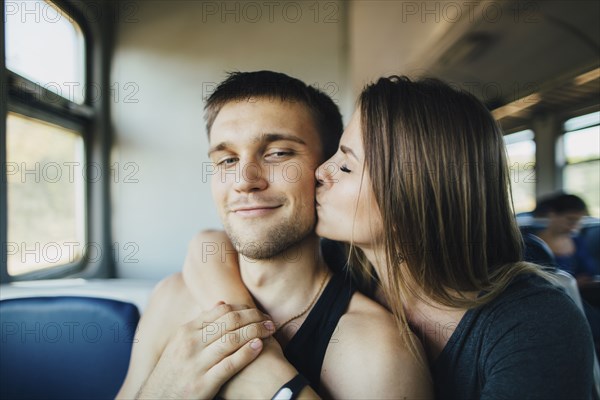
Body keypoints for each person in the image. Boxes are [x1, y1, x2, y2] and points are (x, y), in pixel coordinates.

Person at [185, 75, 596, 398]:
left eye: (345, 167)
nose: (320, 173)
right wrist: (248, 338)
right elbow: (209, 247)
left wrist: (273, 381)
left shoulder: (532, 323)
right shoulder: (343, 263)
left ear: (411, 193)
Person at [117, 71, 432, 399]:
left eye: (278, 153)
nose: (244, 180)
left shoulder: (378, 352)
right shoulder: (170, 298)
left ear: (325, 171)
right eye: (227, 159)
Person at [534, 192, 599, 285]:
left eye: (579, 221)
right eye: (570, 219)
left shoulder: (578, 242)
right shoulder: (534, 244)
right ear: (552, 215)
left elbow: (589, 272)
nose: (574, 226)